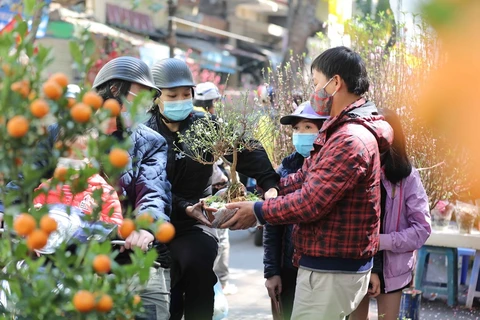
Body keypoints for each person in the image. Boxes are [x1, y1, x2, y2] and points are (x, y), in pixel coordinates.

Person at [222, 46, 394, 320]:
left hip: (331, 269)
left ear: (335, 83)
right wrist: (272, 188)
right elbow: (304, 178)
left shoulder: (350, 140)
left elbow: (311, 202)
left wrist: (257, 212)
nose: (314, 91)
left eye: (315, 83)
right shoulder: (340, 132)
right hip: (326, 265)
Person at [32, 57, 172, 320]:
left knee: (149, 309)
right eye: (140, 96)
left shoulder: (150, 142)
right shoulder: (59, 132)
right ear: (114, 90)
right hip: (62, 254)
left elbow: (153, 190)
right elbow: (26, 178)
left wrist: (146, 226)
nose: (145, 106)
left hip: (129, 253)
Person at [144, 58, 279, 320]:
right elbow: (146, 184)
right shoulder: (143, 131)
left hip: (197, 221)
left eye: (186, 94)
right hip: (152, 222)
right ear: (155, 96)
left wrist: (270, 184)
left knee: (197, 265)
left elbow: (246, 149)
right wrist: (182, 205)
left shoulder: (206, 125)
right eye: (172, 95)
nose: (181, 100)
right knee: (164, 292)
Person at [349, 108, 431, 320]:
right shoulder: (356, 169)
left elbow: (422, 229)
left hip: (392, 271)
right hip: (356, 264)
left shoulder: (407, 177)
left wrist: (381, 242)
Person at [263, 101, 328, 320]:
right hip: (290, 267)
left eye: (308, 127)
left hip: (325, 270)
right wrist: (272, 272)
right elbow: (272, 226)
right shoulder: (286, 170)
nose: (300, 134)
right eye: (296, 129)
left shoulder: (334, 170)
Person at [33, 133, 123, 226]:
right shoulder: (46, 188)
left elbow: (117, 228)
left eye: (80, 156)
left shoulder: (104, 192)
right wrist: (36, 214)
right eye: (67, 154)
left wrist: (97, 218)